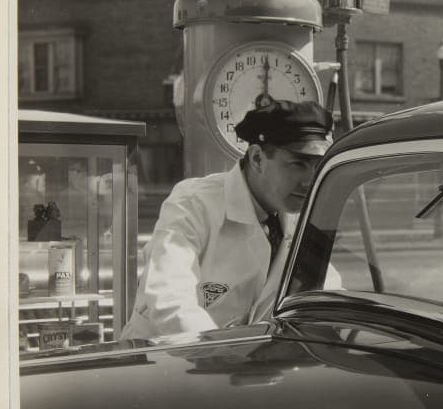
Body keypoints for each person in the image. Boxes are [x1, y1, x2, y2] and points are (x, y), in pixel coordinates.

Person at [121, 100, 332, 340]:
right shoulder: (192, 204)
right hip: (161, 363)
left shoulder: (300, 217)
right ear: (257, 159)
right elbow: (170, 298)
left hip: (243, 366)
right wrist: (220, 353)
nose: (309, 181)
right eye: (298, 164)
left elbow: (326, 291)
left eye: (318, 166)